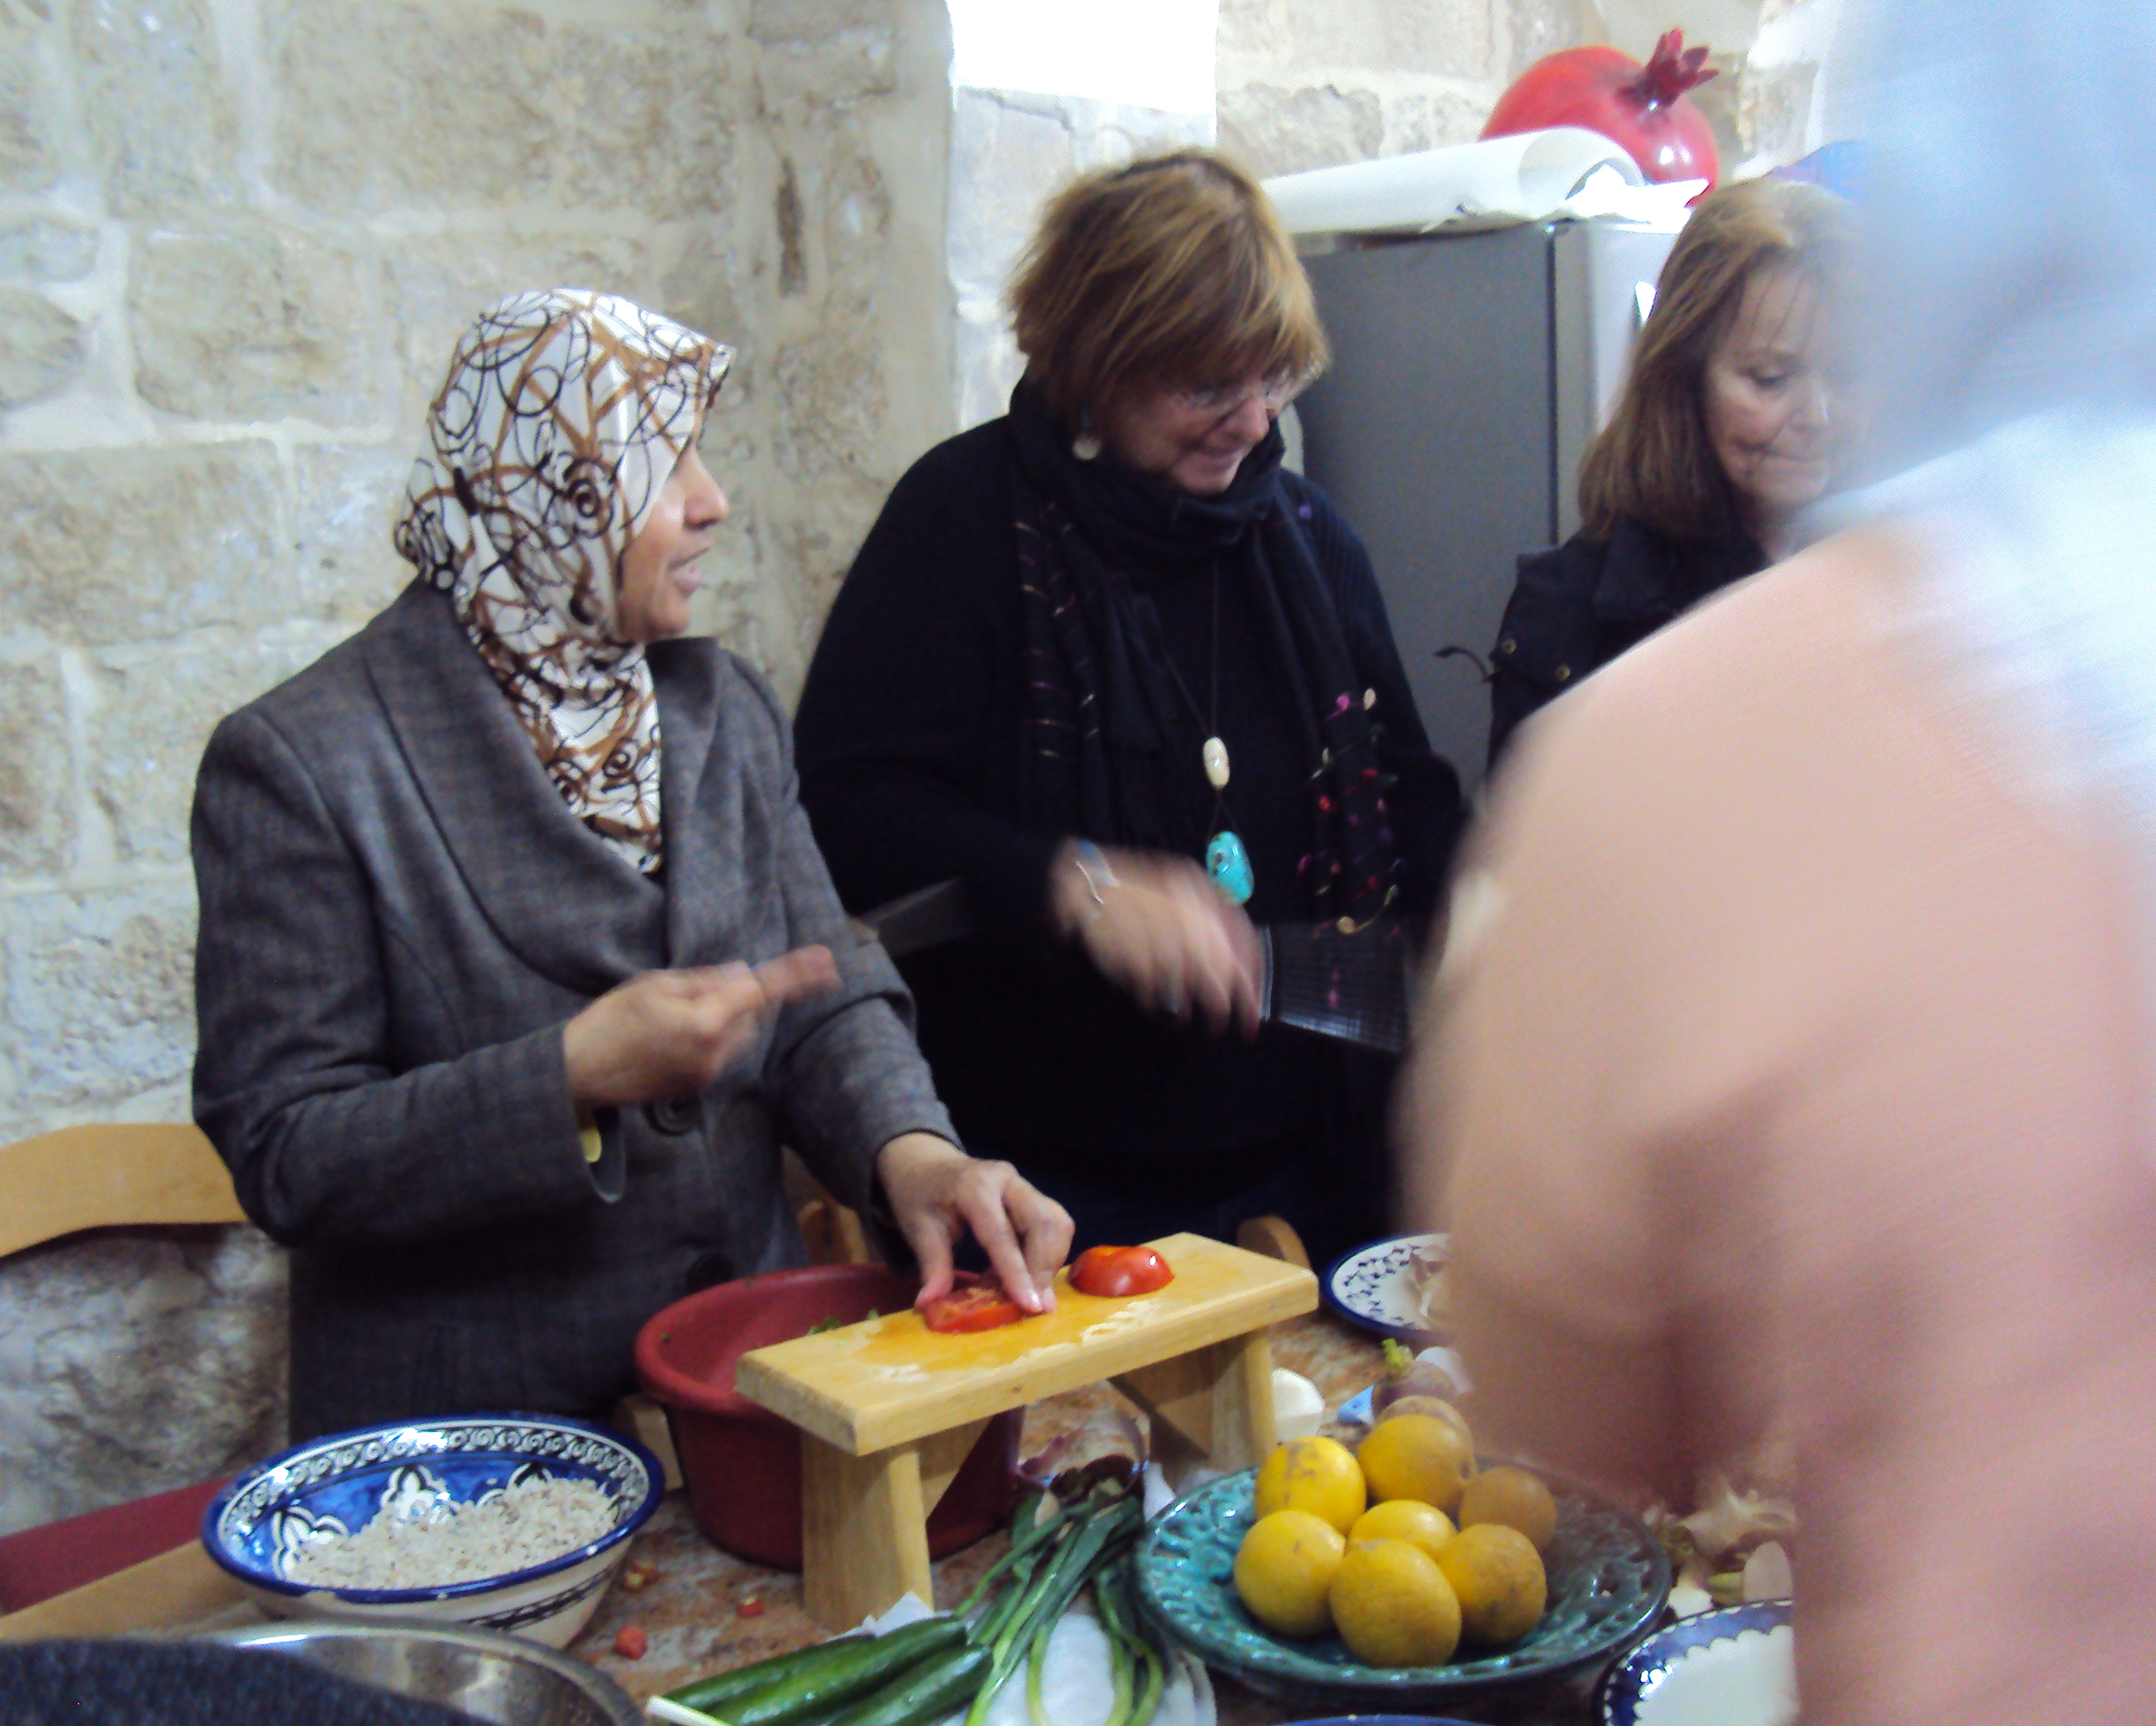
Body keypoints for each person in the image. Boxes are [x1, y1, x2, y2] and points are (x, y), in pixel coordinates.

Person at [1408, 1, 2156, 1720]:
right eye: (1765, 371)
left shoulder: (1710, 750)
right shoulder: (1619, 635)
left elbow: (1569, 1398)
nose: (1810, 410)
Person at [192, 290, 1071, 1441]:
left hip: (746, 1398)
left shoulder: (722, 711)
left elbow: (827, 994)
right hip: (473, 1453)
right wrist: (567, 1074)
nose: (712, 502)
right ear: (541, 488)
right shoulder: (305, 761)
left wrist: (912, 1155)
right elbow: (284, 1154)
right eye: (664, 462)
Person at [794, 152, 1462, 1258]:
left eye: (1275, 378)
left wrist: (1499, 900)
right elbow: (842, 817)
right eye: (1205, 385)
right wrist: (1073, 883)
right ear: (1093, 361)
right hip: (1045, 1199)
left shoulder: (1305, 541)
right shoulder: (962, 524)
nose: (1251, 422)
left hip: (1311, 1185)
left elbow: (1401, 793)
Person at [1486, 173, 1856, 763]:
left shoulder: (1908, 579)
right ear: (1684, 379)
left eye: (1848, 375)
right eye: (1770, 378)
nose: (1818, 415)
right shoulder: (1571, 611)